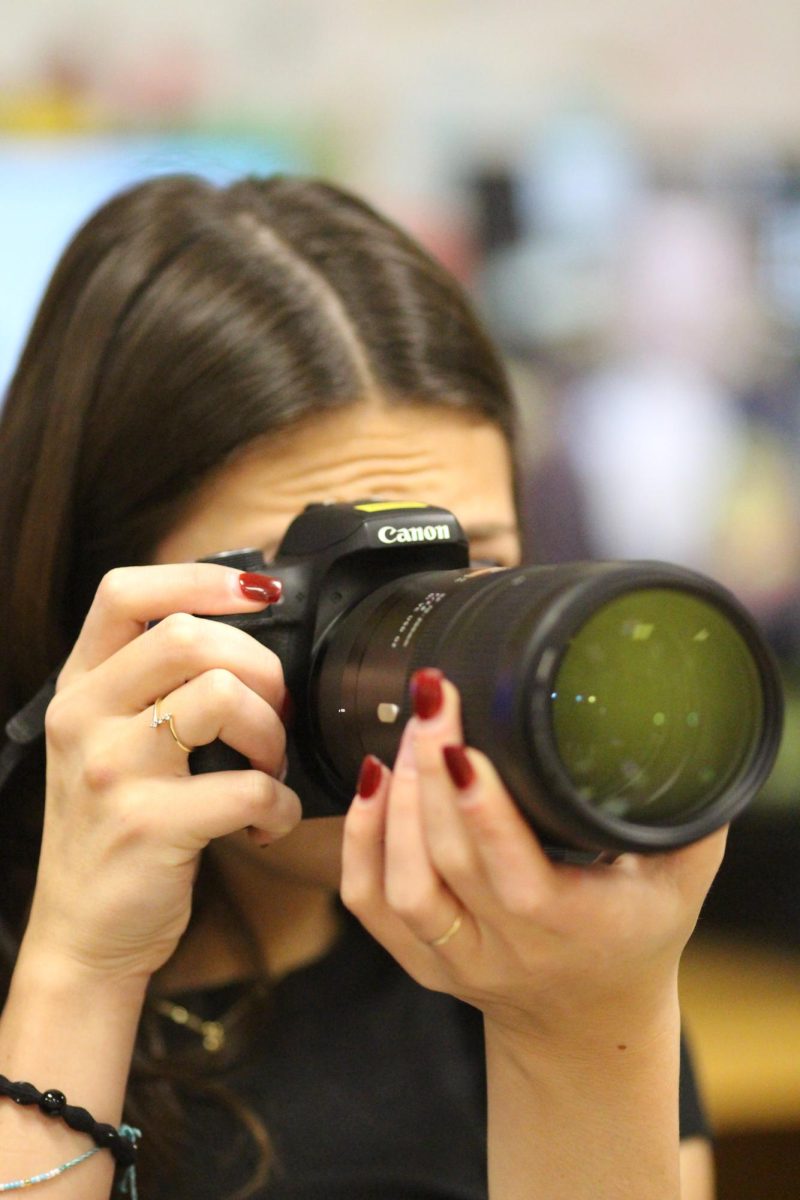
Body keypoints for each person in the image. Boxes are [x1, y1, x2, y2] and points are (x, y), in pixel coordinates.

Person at [0, 174, 723, 1199]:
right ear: (94, 599)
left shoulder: (541, 932)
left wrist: (585, 1022)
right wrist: (78, 971)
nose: (412, 665)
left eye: (464, 580)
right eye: (308, 595)